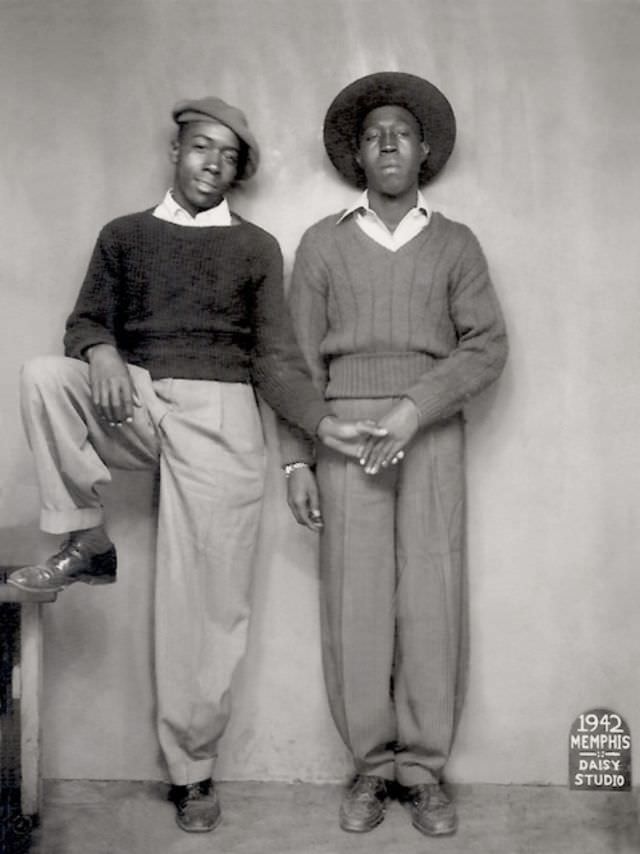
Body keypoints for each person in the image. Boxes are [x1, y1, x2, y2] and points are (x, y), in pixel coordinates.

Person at [8, 96, 387, 834]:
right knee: (44, 376)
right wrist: (104, 352)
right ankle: (86, 540)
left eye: (228, 155)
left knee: (205, 608)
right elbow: (85, 319)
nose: (212, 163)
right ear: (174, 152)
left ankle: (193, 772)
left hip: (224, 416)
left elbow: (277, 360)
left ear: (237, 171)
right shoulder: (123, 235)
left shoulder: (254, 248)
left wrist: (318, 430)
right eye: (199, 147)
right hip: (139, 399)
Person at [281, 72, 508, 838]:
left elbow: (487, 346)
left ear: (424, 152)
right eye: (374, 131)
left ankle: (424, 774)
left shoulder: (455, 243)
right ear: (357, 153)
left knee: (431, 602)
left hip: (431, 435)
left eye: (402, 133)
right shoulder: (321, 243)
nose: (387, 141)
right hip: (344, 440)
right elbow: (293, 363)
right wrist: (298, 457)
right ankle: (371, 772)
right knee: (357, 604)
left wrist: (416, 408)